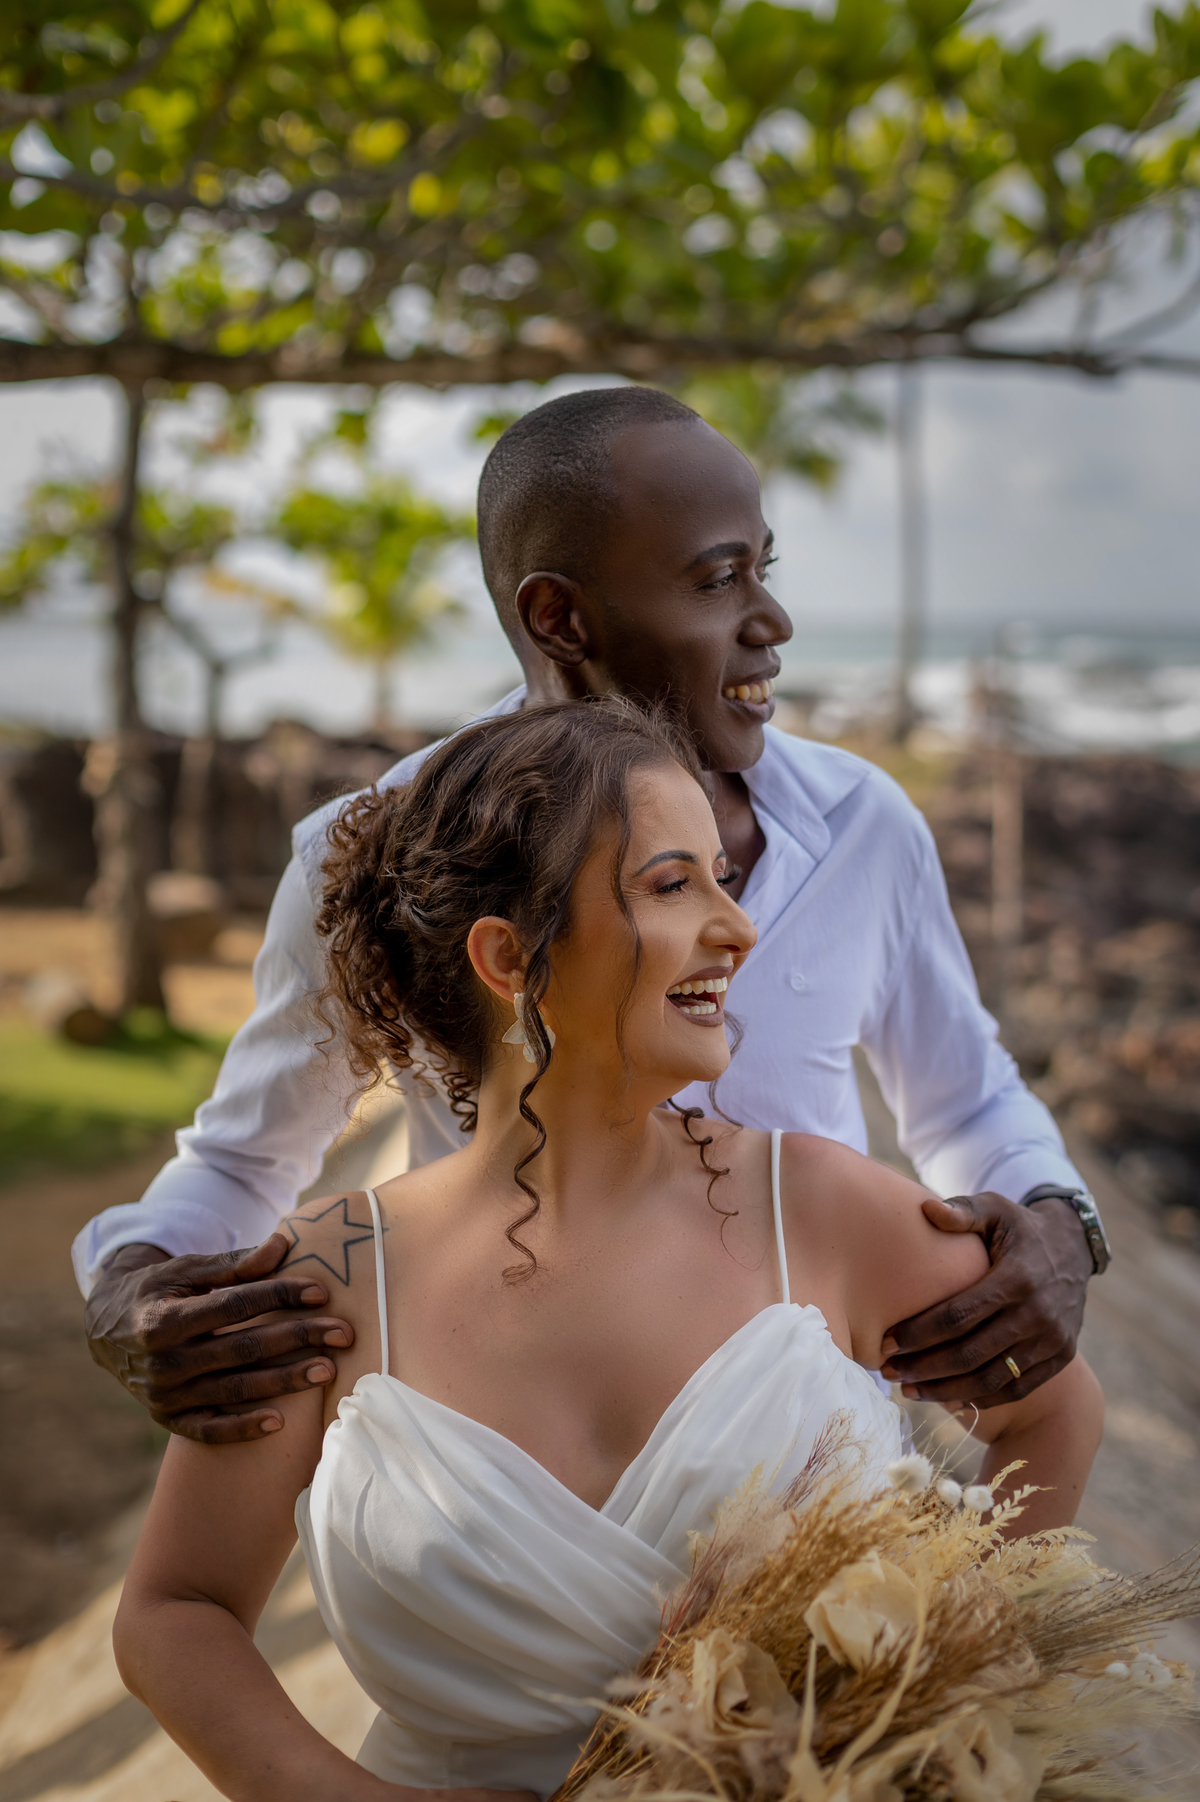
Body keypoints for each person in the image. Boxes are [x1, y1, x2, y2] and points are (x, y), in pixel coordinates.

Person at [112, 700, 1104, 1802]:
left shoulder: (817, 1205)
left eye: (725, 878)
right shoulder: (331, 1274)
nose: (739, 927)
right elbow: (175, 1609)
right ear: (508, 956)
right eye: (674, 885)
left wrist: (939, 1692)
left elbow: (1052, 1404)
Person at [78, 386, 1107, 1443]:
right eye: (718, 578)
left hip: (820, 1475)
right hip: (506, 1457)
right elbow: (250, 1157)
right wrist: (132, 1279)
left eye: (765, 568)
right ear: (560, 617)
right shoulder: (384, 852)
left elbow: (966, 1099)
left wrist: (1058, 1225)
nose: (773, 623)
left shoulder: (865, 825)